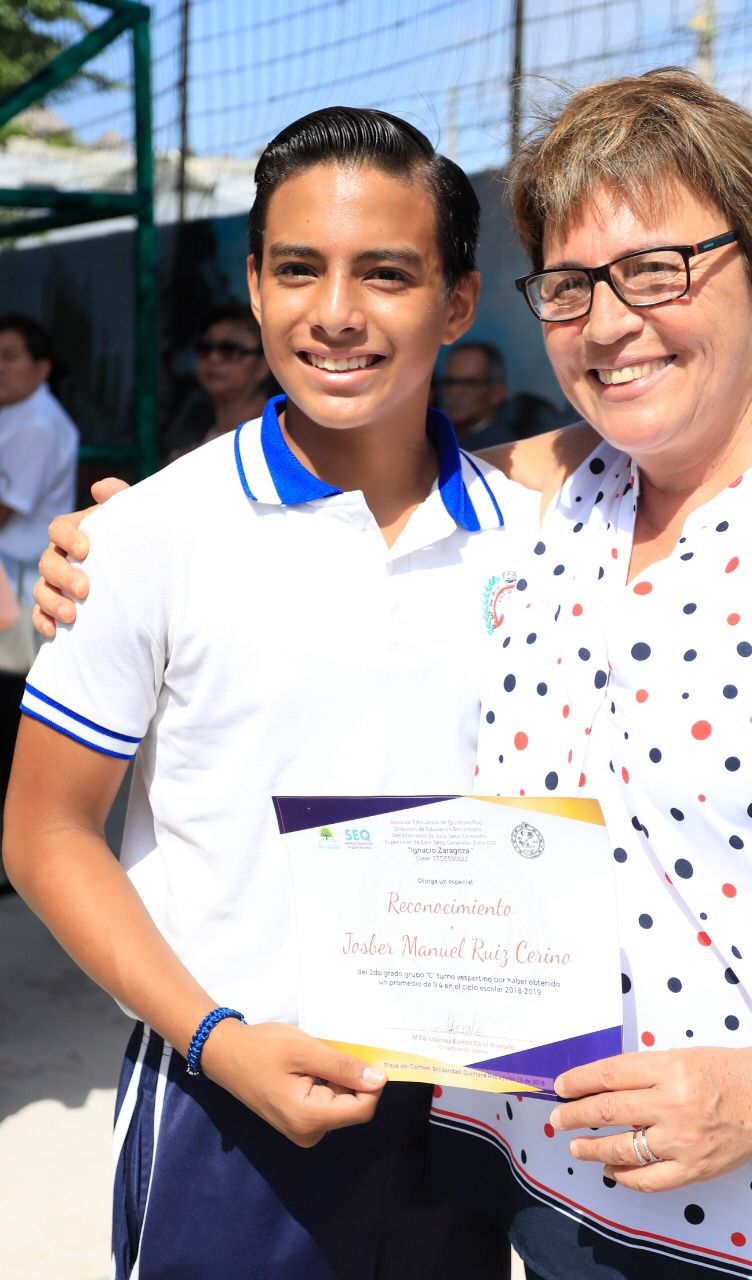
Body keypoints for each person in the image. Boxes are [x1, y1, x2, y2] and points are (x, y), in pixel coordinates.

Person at [31, 70, 752, 1280]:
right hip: (549, 1194)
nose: (615, 321)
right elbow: (367, 465)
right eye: (575, 286)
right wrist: (126, 537)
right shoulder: (561, 498)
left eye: (662, 269)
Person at [3, 107, 533, 1280]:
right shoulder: (144, 535)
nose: (336, 311)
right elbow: (43, 832)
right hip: (225, 1107)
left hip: (471, 1111)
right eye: (299, 268)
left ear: (455, 304)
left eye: (386, 272)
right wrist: (214, 1038)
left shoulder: (540, 545)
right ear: (254, 282)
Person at [0, 313, 79, 863]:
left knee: (10, 716)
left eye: (9, 356)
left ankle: (15, 856)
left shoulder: (37, 423)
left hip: (18, 581)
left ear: (42, 366)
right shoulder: (16, 416)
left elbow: (7, 509)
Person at [164, 304, 274, 458]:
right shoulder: (189, 427)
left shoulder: (276, 432)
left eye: (229, 350)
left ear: (265, 364)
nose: (213, 358)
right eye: (205, 348)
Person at [438, 339, 565, 446]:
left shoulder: (501, 448)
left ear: (496, 392)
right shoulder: (440, 439)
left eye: (469, 383)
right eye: (450, 382)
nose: (455, 390)